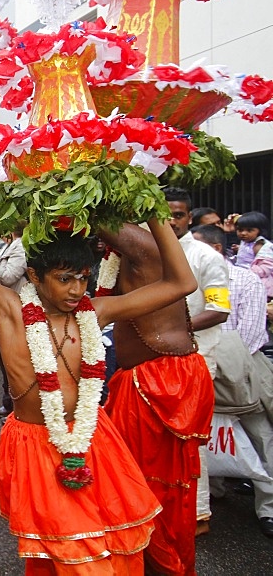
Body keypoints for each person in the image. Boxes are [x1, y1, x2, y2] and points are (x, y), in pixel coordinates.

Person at [0, 218, 197, 572]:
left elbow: (182, 283)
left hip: (92, 439)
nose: (77, 290)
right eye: (64, 279)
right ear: (34, 276)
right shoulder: (10, 308)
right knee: (62, 550)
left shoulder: (97, 312)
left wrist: (156, 218)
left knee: (105, 545)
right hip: (34, 443)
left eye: (83, 278)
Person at [97, 222, 214, 574]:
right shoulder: (129, 249)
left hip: (160, 382)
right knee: (132, 482)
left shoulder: (142, 243)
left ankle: (161, 564)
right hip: (142, 378)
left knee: (151, 490)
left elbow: (91, 211)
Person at [194, 224, 273, 539]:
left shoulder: (245, 278)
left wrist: (219, 361)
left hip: (239, 367)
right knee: (204, 432)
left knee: (260, 435)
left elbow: (252, 334)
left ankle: (268, 507)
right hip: (198, 365)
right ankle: (214, 490)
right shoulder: (187, 279)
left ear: (213, 250)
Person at [163, 186, 231, 535]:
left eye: (177, 215)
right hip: (157, 361)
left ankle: (198, 512)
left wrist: (172, 328)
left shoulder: (206, 257)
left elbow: (218, 310)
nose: (171, 221)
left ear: (189, 217)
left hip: (196, 358)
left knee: (190, 440)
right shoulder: (152, 250)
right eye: (166, 214)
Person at [0, 225, 27, 421]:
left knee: (13, 361)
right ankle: (8, 404)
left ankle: (16, 408)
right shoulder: (10, 245)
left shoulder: (21, 246)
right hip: (3, 309)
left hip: (15, 310)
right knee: (5, 361)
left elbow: (9, 276)